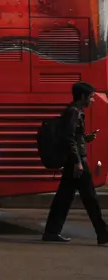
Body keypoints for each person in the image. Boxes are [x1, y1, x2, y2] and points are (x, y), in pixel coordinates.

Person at [42, 81, 108, 245]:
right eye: (91, 97)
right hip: (77, 163)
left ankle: (51, 231)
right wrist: (78, 162)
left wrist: (85, 139)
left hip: (74, 161)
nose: (93, 100)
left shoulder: (73, 111)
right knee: (90, 199)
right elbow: (68, 139)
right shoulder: (73, 113)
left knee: (63, 198)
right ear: (83, 97)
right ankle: (103, 234)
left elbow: (73, 138)